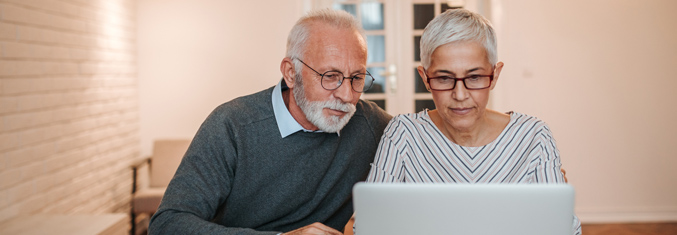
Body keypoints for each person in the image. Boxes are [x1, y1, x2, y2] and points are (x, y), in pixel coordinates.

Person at [148, 9, 392, 235]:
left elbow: (423, 136)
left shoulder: (371, 124)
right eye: (330, 77)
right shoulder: (231, 126)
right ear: (290, 73)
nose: (347, 96)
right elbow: (168, 224)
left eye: (357, 78)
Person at [363, 9, 582, 234]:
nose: (460, 95)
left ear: (495, 75)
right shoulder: (403, 133)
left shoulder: (534, 137)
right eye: (444, 78)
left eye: (474, 77)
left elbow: (565, 230)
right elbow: (369, 226)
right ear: (425, 78)